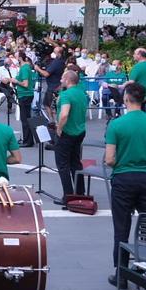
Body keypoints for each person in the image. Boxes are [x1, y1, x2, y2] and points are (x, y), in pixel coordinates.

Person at [104, 83, 146, 288]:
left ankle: (121, 274)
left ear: (126, 98)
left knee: (121, 228)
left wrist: (122, 162)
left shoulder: (116, 124)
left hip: (123, 179)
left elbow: (110, 159)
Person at [54, 70, 88, 200]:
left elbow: (64, 114)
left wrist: (59, 128)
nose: (61, 80)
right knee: (75, 162)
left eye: (62, 78)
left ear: (68, 80)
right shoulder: (81, 93)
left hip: (67, 131)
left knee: (63, 165)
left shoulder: (66, 95)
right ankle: (80, 192)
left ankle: (68, 196)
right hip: (80, 131)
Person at [14, 54, 36, 146]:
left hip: (25, 95)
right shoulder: (25, 68)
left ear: (20, 58)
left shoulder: (24, 68)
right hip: (24, 94)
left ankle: (28, 141)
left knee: (25, 119)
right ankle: (27, 139)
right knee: (26, 118)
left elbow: (25, 84)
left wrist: (16, 81)